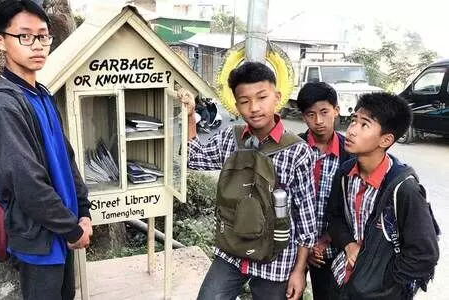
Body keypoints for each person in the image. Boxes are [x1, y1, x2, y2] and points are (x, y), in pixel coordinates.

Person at [0, 1, 92, 299]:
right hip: (39, 241)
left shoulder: (40, 94)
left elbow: (67, 159)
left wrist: (83, 212)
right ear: (0, 40)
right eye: (25, 36)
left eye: (43, 36)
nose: (38, 45)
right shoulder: (1, 105)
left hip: (64, 231)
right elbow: (26, 183)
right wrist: (72, 229)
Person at [178, 62, 317, 300]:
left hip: (277, 259)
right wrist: (190, 115)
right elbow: (193, 157)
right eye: (244, 101)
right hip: (232, 250)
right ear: (236, 104)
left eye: (262, 97)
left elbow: (306, 219)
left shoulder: (298, 151)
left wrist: (299, 271)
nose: (254, 108)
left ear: (277, 97)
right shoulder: (229, 138)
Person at [327, 93, 439, 299]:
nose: (351, 130)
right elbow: (334, 217)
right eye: (354, 121)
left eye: (364, 125)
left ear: (386, 139)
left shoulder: (404, 189)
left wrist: (385, 281)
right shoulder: (346, 173)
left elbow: (425, 254)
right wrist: (348, 244)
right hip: (344, 280)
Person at [296, 82, 352, 300]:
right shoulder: (294, 148)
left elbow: (352, 209)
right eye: (311, 114)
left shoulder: (351, 154)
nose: (318, 121)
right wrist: (305, 246)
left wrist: (325, 240)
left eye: (324, 112)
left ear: (336, 110)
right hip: (295, 245)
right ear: (303, 116)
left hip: (330, 249)